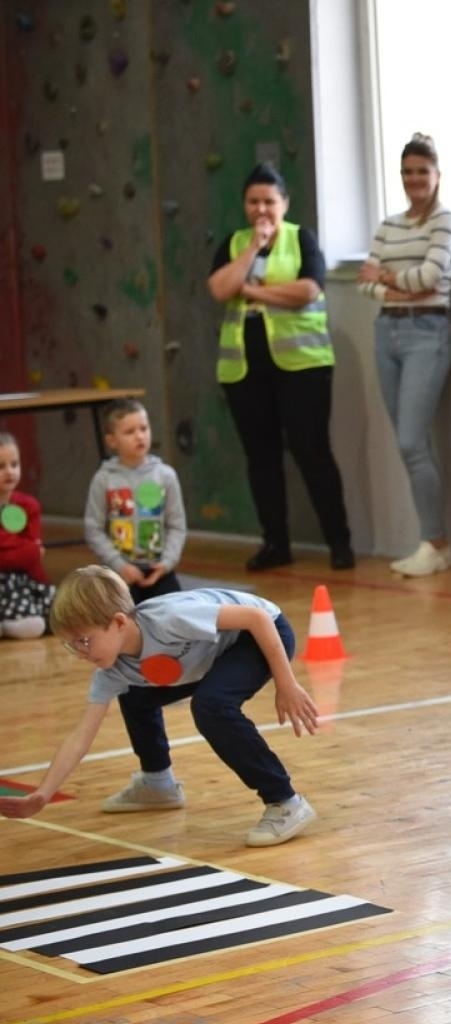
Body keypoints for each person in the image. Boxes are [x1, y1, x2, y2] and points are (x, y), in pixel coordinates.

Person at [0, 565, 320, 847]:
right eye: (72, 645)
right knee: (136, 694)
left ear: (119, 622)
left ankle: (286, 801)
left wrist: (286, 683)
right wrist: (42, 793)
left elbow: (257, 618)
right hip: (207, 657)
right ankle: (158, 784)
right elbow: (80, 738)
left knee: (211, 707)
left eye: (85, 640)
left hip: (260, 635)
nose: (80, 652)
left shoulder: (170, 619)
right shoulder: (112, 670)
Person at [208, 162, 353, 572]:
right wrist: (253, 247)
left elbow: (308, 290)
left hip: (302, 365)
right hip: (245, 370)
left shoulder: (301, 239)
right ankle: (276, 542)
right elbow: (220, 289)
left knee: (312, 452)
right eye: (253, 202)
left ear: (284, 203)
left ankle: (339, 542)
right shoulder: (235, 243)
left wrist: (251, 289)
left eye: (269, 201)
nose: (261, 210)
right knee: (261, 457)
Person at [357, 133, 451, 578]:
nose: (415, 179)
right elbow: (364, 282)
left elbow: (433, 277)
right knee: (408, 441)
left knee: (411, 441)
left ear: (437, 175)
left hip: (427, 330)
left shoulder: (445, 221)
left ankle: (436, 542)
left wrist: (390, 278)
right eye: (407, 172)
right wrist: (396, 284)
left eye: (423, 171)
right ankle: (431, 540)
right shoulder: (389, 225)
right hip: (388, 331)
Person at [85, 399, 187, 604]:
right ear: (112, 441)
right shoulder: (104, 479)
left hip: (159, 569)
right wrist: (119, 565)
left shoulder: (166, 475)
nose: (140, 436)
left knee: (176, 613)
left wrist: (166, 563)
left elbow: (177, 526)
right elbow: (93, 529)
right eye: (130, 431)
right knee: (123, 619)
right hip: (120, 570)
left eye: (144, 428)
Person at [0, 430, 54, 638]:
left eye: (14, 464)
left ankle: (11, 621)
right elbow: (30, 549)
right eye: (1, 466)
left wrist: (12, 548)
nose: (10, 472)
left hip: (28, 578)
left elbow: (32, 555)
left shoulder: (29, 505)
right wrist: (25, 548)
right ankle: (11, 622)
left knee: (60, 610)